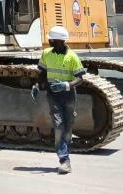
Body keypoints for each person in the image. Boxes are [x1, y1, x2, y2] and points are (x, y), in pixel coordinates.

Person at [34, 26, 85, 174]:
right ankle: (64, 160)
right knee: (59, 125)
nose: (49, 42)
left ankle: (65, 153)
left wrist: (67, 85)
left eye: (51, 40)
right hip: (53, 95)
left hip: (68, 95)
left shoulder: (72, 57)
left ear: (60, 41)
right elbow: (42, 73)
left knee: (68, 127)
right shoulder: (46, 54)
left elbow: (80, 78)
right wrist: (37, 85)